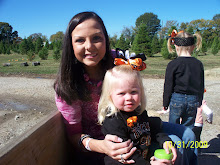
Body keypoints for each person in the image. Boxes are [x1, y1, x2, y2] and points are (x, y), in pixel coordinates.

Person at [54, 11, 197, 165]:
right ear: (71, 45)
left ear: (105, 39)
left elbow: (136, 76)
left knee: (188, 134)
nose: (89, 46)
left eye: (96, 38)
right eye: (80, 40)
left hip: (137, 126)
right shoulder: (69, 84)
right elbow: (73, 135)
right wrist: (101, 146)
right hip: (110, 143)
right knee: (175, 144)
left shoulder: (118, 61)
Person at [98, 64, 177, 165]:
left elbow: (153, 129)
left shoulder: (139, 112)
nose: (128, 98)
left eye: (133, 92)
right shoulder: (113, 120)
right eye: (122, 93)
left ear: (141, 92)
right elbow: (127, 152)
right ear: (110, 96)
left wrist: (165, 140)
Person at [163, 29, 204, 130]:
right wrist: (200, 100)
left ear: (176, 46)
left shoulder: (172, 64)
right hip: (193, 100)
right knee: (188, 128)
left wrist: (165, 102)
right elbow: (201, 84)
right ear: (193, 47)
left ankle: (175, 145)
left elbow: (168, 85)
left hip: (177, 99)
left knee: (173, 128)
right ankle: (186, 145)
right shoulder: (198, 64)